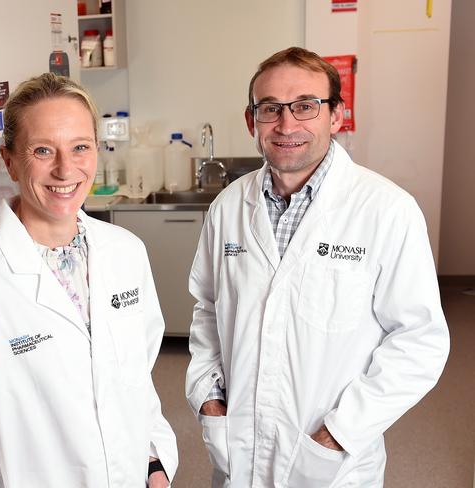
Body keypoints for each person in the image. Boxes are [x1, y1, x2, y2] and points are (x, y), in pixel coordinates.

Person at [185, 47, 449, 487]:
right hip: (239, 455)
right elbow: (208, 310)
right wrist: (210, 401)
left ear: (337, 116)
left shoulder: (386, 210)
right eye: (271, 109)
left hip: (332, 463)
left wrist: (336, 437)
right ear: (252, 121)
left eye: (306, 106)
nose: (287, 125)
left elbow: (419, 341)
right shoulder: (228, 206)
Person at [0, 73, 177, 487]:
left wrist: (153, 461)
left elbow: (136, 379)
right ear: (9, 160)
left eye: (80, 147)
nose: (66, 169)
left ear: (96, 152)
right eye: (43, 150)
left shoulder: (126, 253)